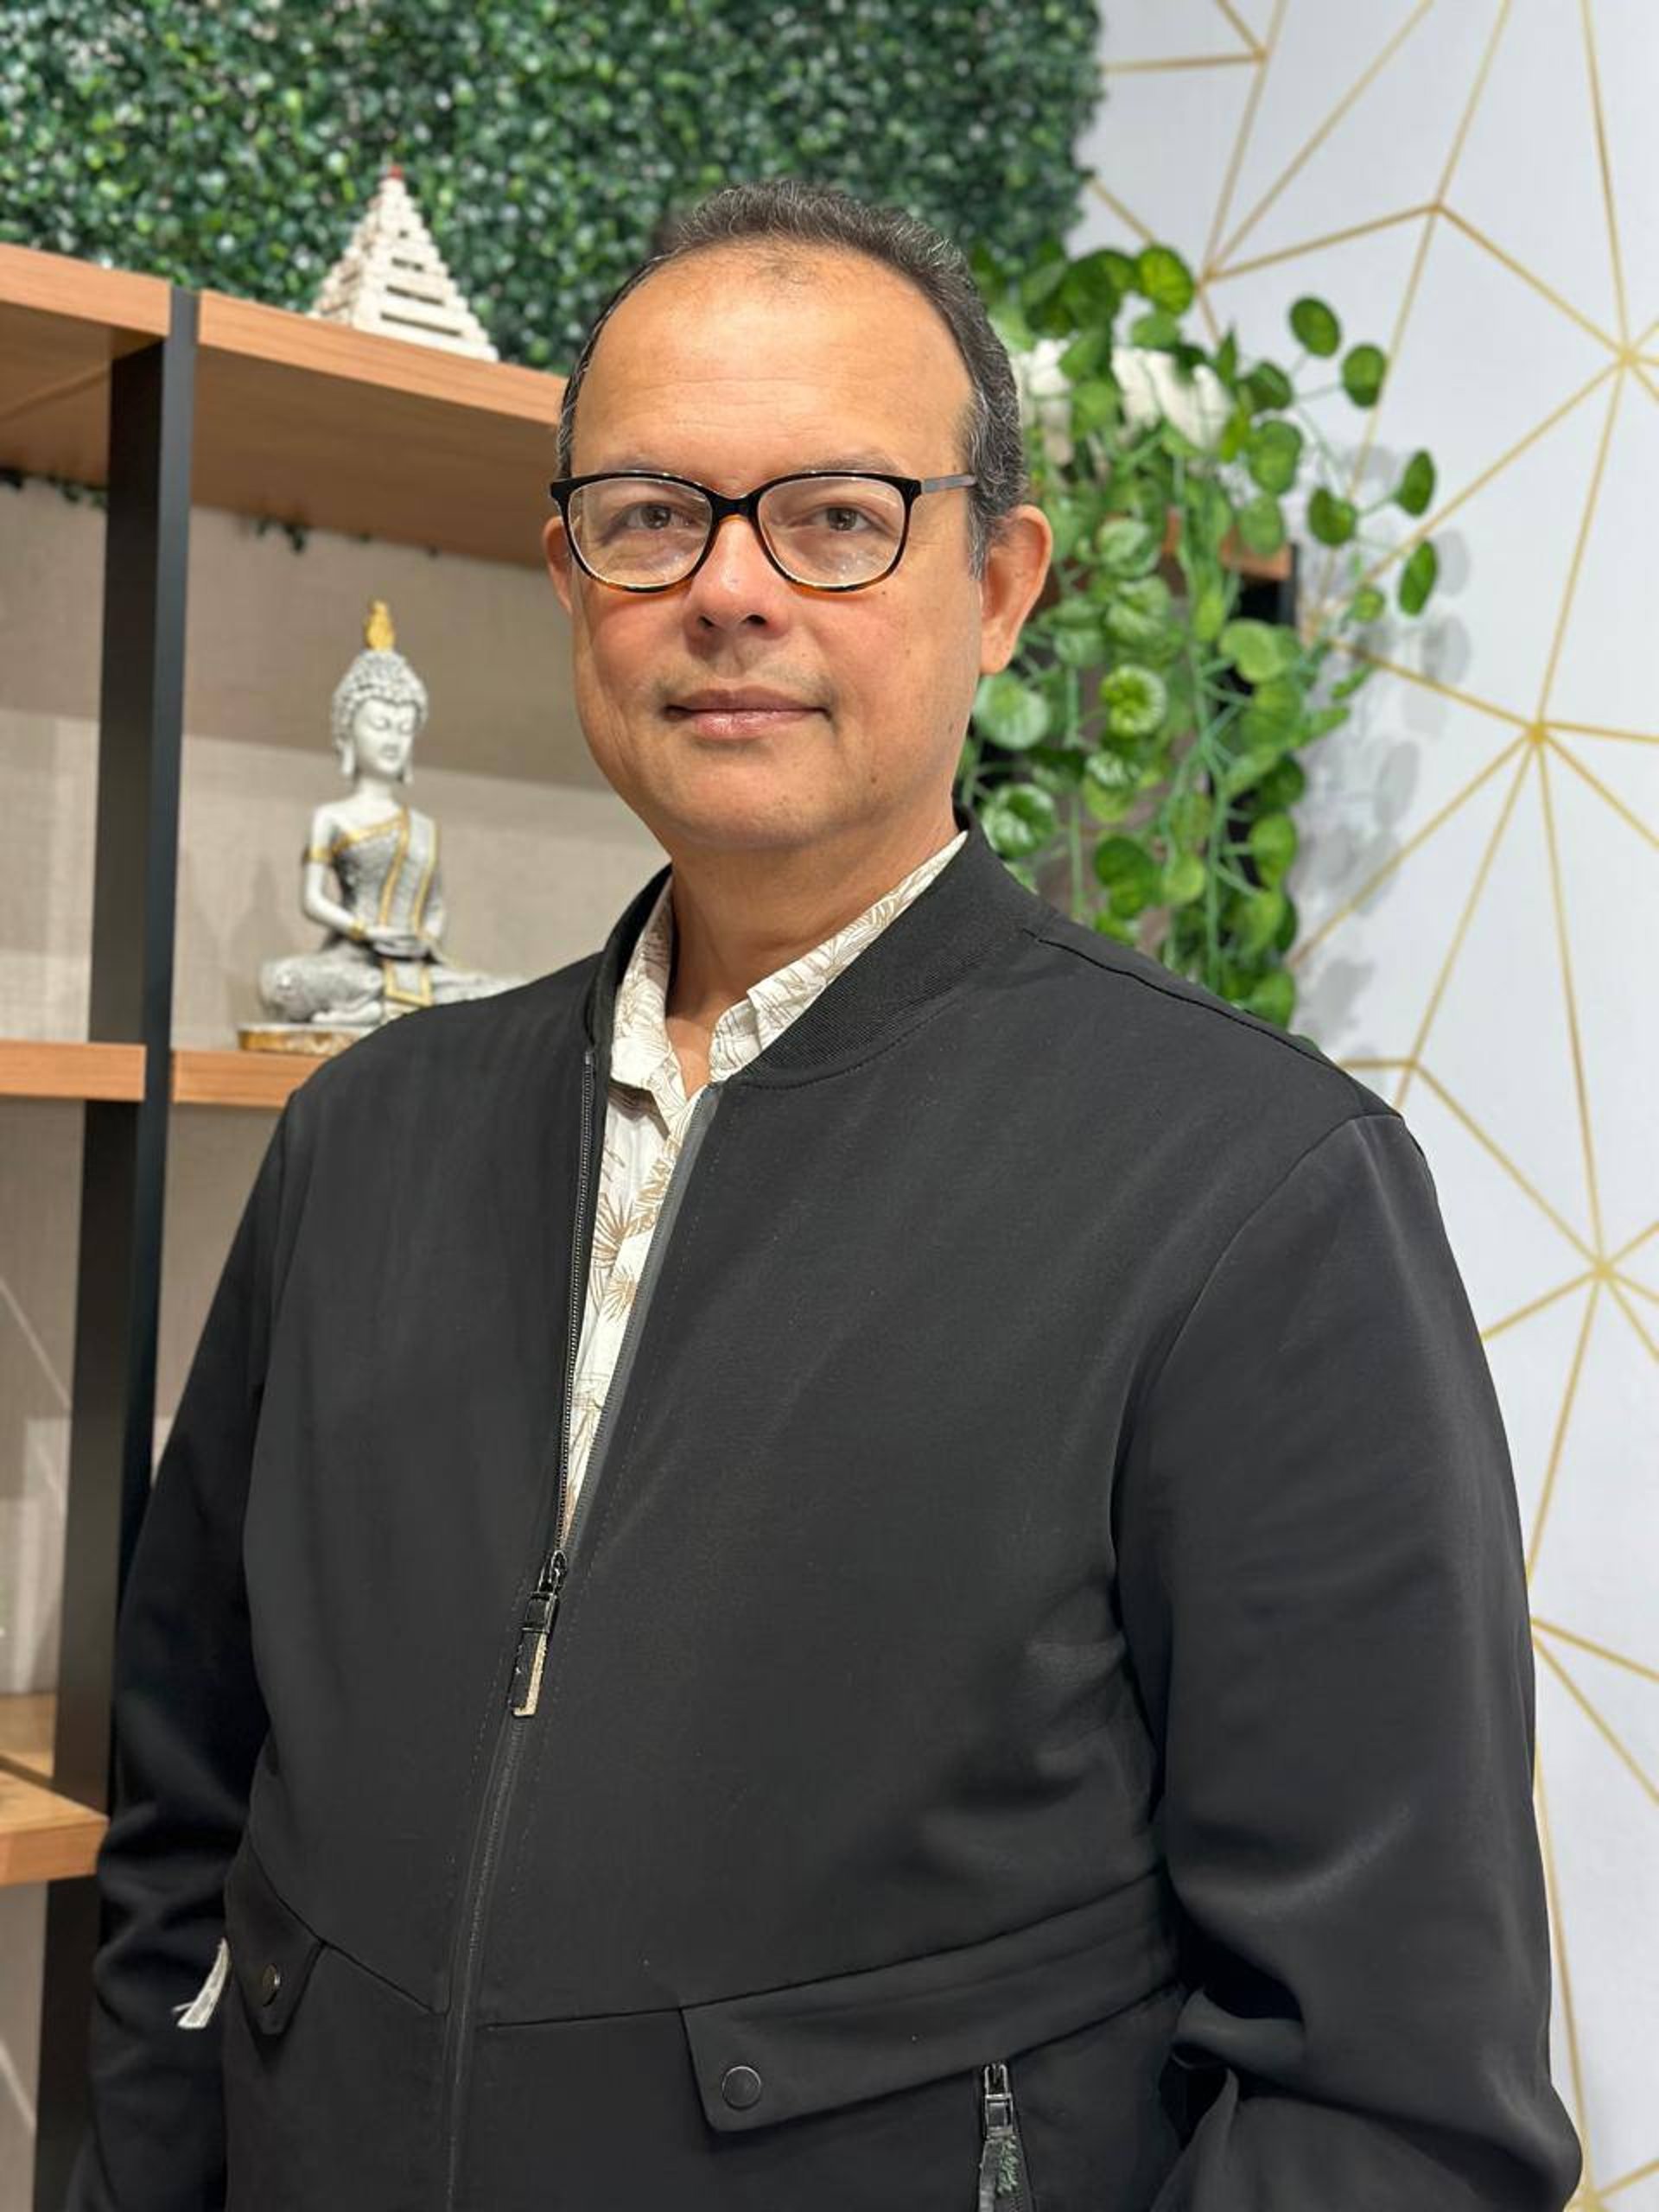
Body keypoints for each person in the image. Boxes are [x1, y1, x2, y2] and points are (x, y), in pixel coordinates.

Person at [70, 181, 1581, 2211]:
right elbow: (187, 1829)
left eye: (839, 517)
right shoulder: (369, 1134)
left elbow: (1387, 2097)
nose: (732, 589)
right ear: (570, 574)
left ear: (1001, 585)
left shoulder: (1255, 1194)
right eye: (650, 515)